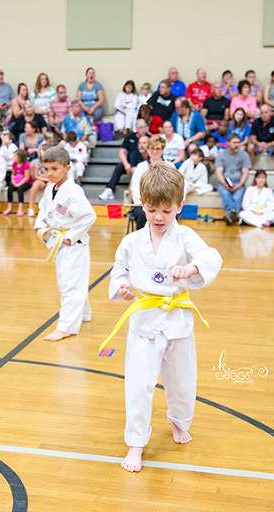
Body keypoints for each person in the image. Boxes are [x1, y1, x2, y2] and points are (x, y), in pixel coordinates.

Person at [107, 161, 221, 472]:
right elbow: (120, 271)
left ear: (180, 206)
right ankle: (136, 443)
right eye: (152, 209)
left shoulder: (185, 236)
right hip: (144, 322)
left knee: (182, 381)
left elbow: (211, 256)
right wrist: (123, 288)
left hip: (178, 321)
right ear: (142, 203)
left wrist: (193, 268)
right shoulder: (132, 242)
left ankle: (179, 422)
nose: (159, 217)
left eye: (167, 211)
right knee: (139, 383)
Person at [34, 146, 97, 342]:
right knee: (67, 283)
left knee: (70, 285)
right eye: (46, 169)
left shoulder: (73, 191)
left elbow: (89, 215)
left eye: (55, 169)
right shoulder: (49, 189)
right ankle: (84, 313)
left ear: (67, 168)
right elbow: (43, 210)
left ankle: (66, 326)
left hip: (73, 245)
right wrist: (40, 227)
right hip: (58, 242)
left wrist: (71, 236)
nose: (50, 174)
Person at [99, 119, 147, 200]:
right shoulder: (130, 137)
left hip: (143, 163)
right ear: (136, 128)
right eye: (141, 127)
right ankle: (109, 189)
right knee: (119, 167)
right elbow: (121, 152)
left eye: (145, 127)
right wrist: (126, 164)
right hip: (130, 163)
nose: (143, 130)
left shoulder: (149, 138)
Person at [129, 135, 169, 230]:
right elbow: (135, 187)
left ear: (163, 150)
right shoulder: (140, 167)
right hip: (144, 203)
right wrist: (144, 203)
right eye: (152, 149)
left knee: (167, 214)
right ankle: (143, 241)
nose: (155, 152)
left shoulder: (170, 166)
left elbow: (175, 188)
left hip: (164, 203)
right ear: (148, 149)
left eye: (158, 149)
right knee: (142, 214)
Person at [216, 133, 251, 225]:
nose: (237, 145)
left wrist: (239, 185)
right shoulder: (221, 154)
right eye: (234, 142)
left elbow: (245, 172)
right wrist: (225, 184)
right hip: (224, 182)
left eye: (238, 143)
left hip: (239, 182)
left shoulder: (244, 155)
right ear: (228, 143)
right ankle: (232, 214)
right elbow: (219, 172)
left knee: (237, 197)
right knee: (225, 194)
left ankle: (230, 215)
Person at [249, 105, 274, 169]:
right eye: (262, 113)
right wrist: (259, 144)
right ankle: (251, 169)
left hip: (272, 145)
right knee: (250, 147)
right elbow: (253, 139)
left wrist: (267, 145)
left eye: (266, 112)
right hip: (259, 145)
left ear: (270, 112)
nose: (264, 115)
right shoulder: (256, 122)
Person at [2, 150, 31, 217]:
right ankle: (9, 207)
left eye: (15, 156)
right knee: (10, 188)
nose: (13, 158)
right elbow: (13, 174)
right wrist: (13, 181)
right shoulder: (14, 164)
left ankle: (20, 209)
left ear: (20, 157)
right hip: (17, 181)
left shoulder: (26, 165)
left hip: (26, 182)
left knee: (20, 189)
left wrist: (19, 184)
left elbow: (27, 178)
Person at [27, 143, 51, 217]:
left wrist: (45, 176)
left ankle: (49, 209)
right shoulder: (38, 162)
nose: (39, 151)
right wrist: (44, 177)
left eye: (40, 150)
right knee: (35, 185)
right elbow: (35, 176)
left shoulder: (52, 162)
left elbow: (52, 176)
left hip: (50, 180)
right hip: (41, 180)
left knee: (50, 185)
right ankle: (30, 208)